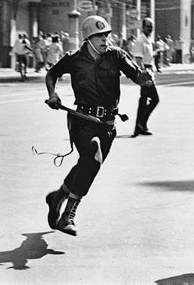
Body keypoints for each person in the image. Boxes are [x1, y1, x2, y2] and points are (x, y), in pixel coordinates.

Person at [44, 15, 155, 236]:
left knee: (86, 165)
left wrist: (144, 77)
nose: (105, 40)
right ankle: (68, 215)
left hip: (107, 125)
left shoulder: (116, 56)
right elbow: (51, 74)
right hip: (82, 121)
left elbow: (136, 75)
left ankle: (58, 196)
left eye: (106, 35)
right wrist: (53, 95)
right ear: (88, 38)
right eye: (100, 36)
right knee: (93, 157)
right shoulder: (74, 59)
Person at [131, 18, 160, 137]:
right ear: (143, 27)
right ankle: (141, 124)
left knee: (143, 100)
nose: (150, 28)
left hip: (149, 70)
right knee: (154, 99)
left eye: (151, 26)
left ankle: (140, 126)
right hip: (145, 72)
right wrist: (145, 76)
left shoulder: (148, 40)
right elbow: (138, 60)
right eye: (148, 26)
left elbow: (148, 56)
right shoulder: (140, 40)